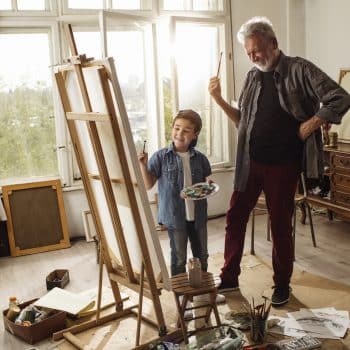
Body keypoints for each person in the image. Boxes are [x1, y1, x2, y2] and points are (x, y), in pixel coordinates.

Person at [208, 16, 350, 306]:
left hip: (283, 164)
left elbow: (340, 97)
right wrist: (220, 100)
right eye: (248, 53)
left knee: (281, 225)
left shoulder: (299, 68)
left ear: (273, 43)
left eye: (256, 50)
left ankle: (282, 284)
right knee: (235, 218)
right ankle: (230, 277)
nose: (253, 57)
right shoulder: (251, 77)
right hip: (250, 162)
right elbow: (242, 123)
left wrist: (308, 126)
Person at [138, 109, 225, 309]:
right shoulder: (161, 157)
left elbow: (204, 182)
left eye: (186, 130)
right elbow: (149, 184)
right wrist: (142, 165)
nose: (180, 133)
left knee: (201, 255)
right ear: (172, 129)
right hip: (175, 216)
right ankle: (181, 299)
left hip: (198, 215)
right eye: (177, 128)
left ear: (195, 135)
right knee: (178, 257)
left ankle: (202, 294)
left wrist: (209, 183)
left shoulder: (200, 158)